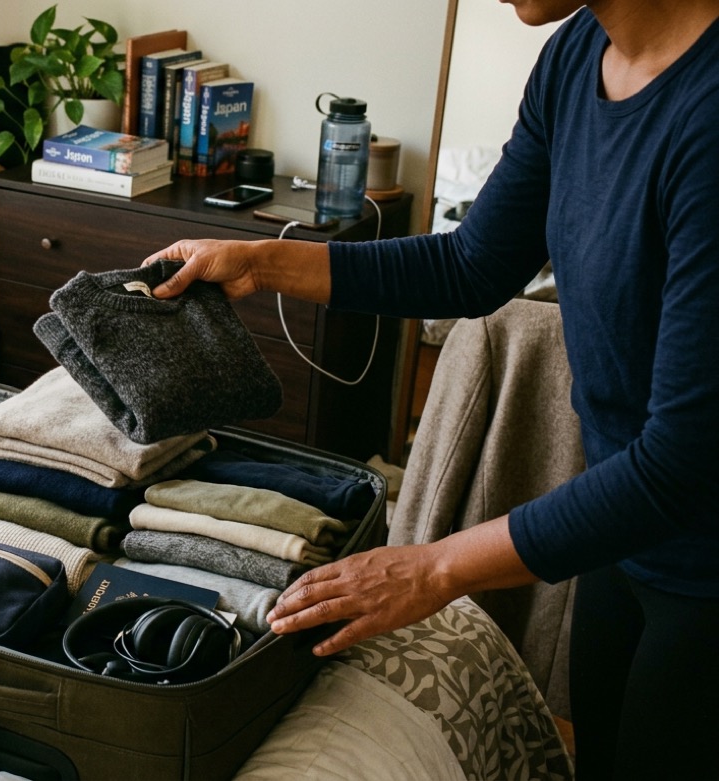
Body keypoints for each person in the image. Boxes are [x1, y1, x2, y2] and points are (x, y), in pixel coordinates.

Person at [142, 2, 719, 778]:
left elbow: (679, 465)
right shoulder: (579, 53)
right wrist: (260, 261)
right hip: (624, 531)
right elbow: (472, 264)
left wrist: (431, 568)